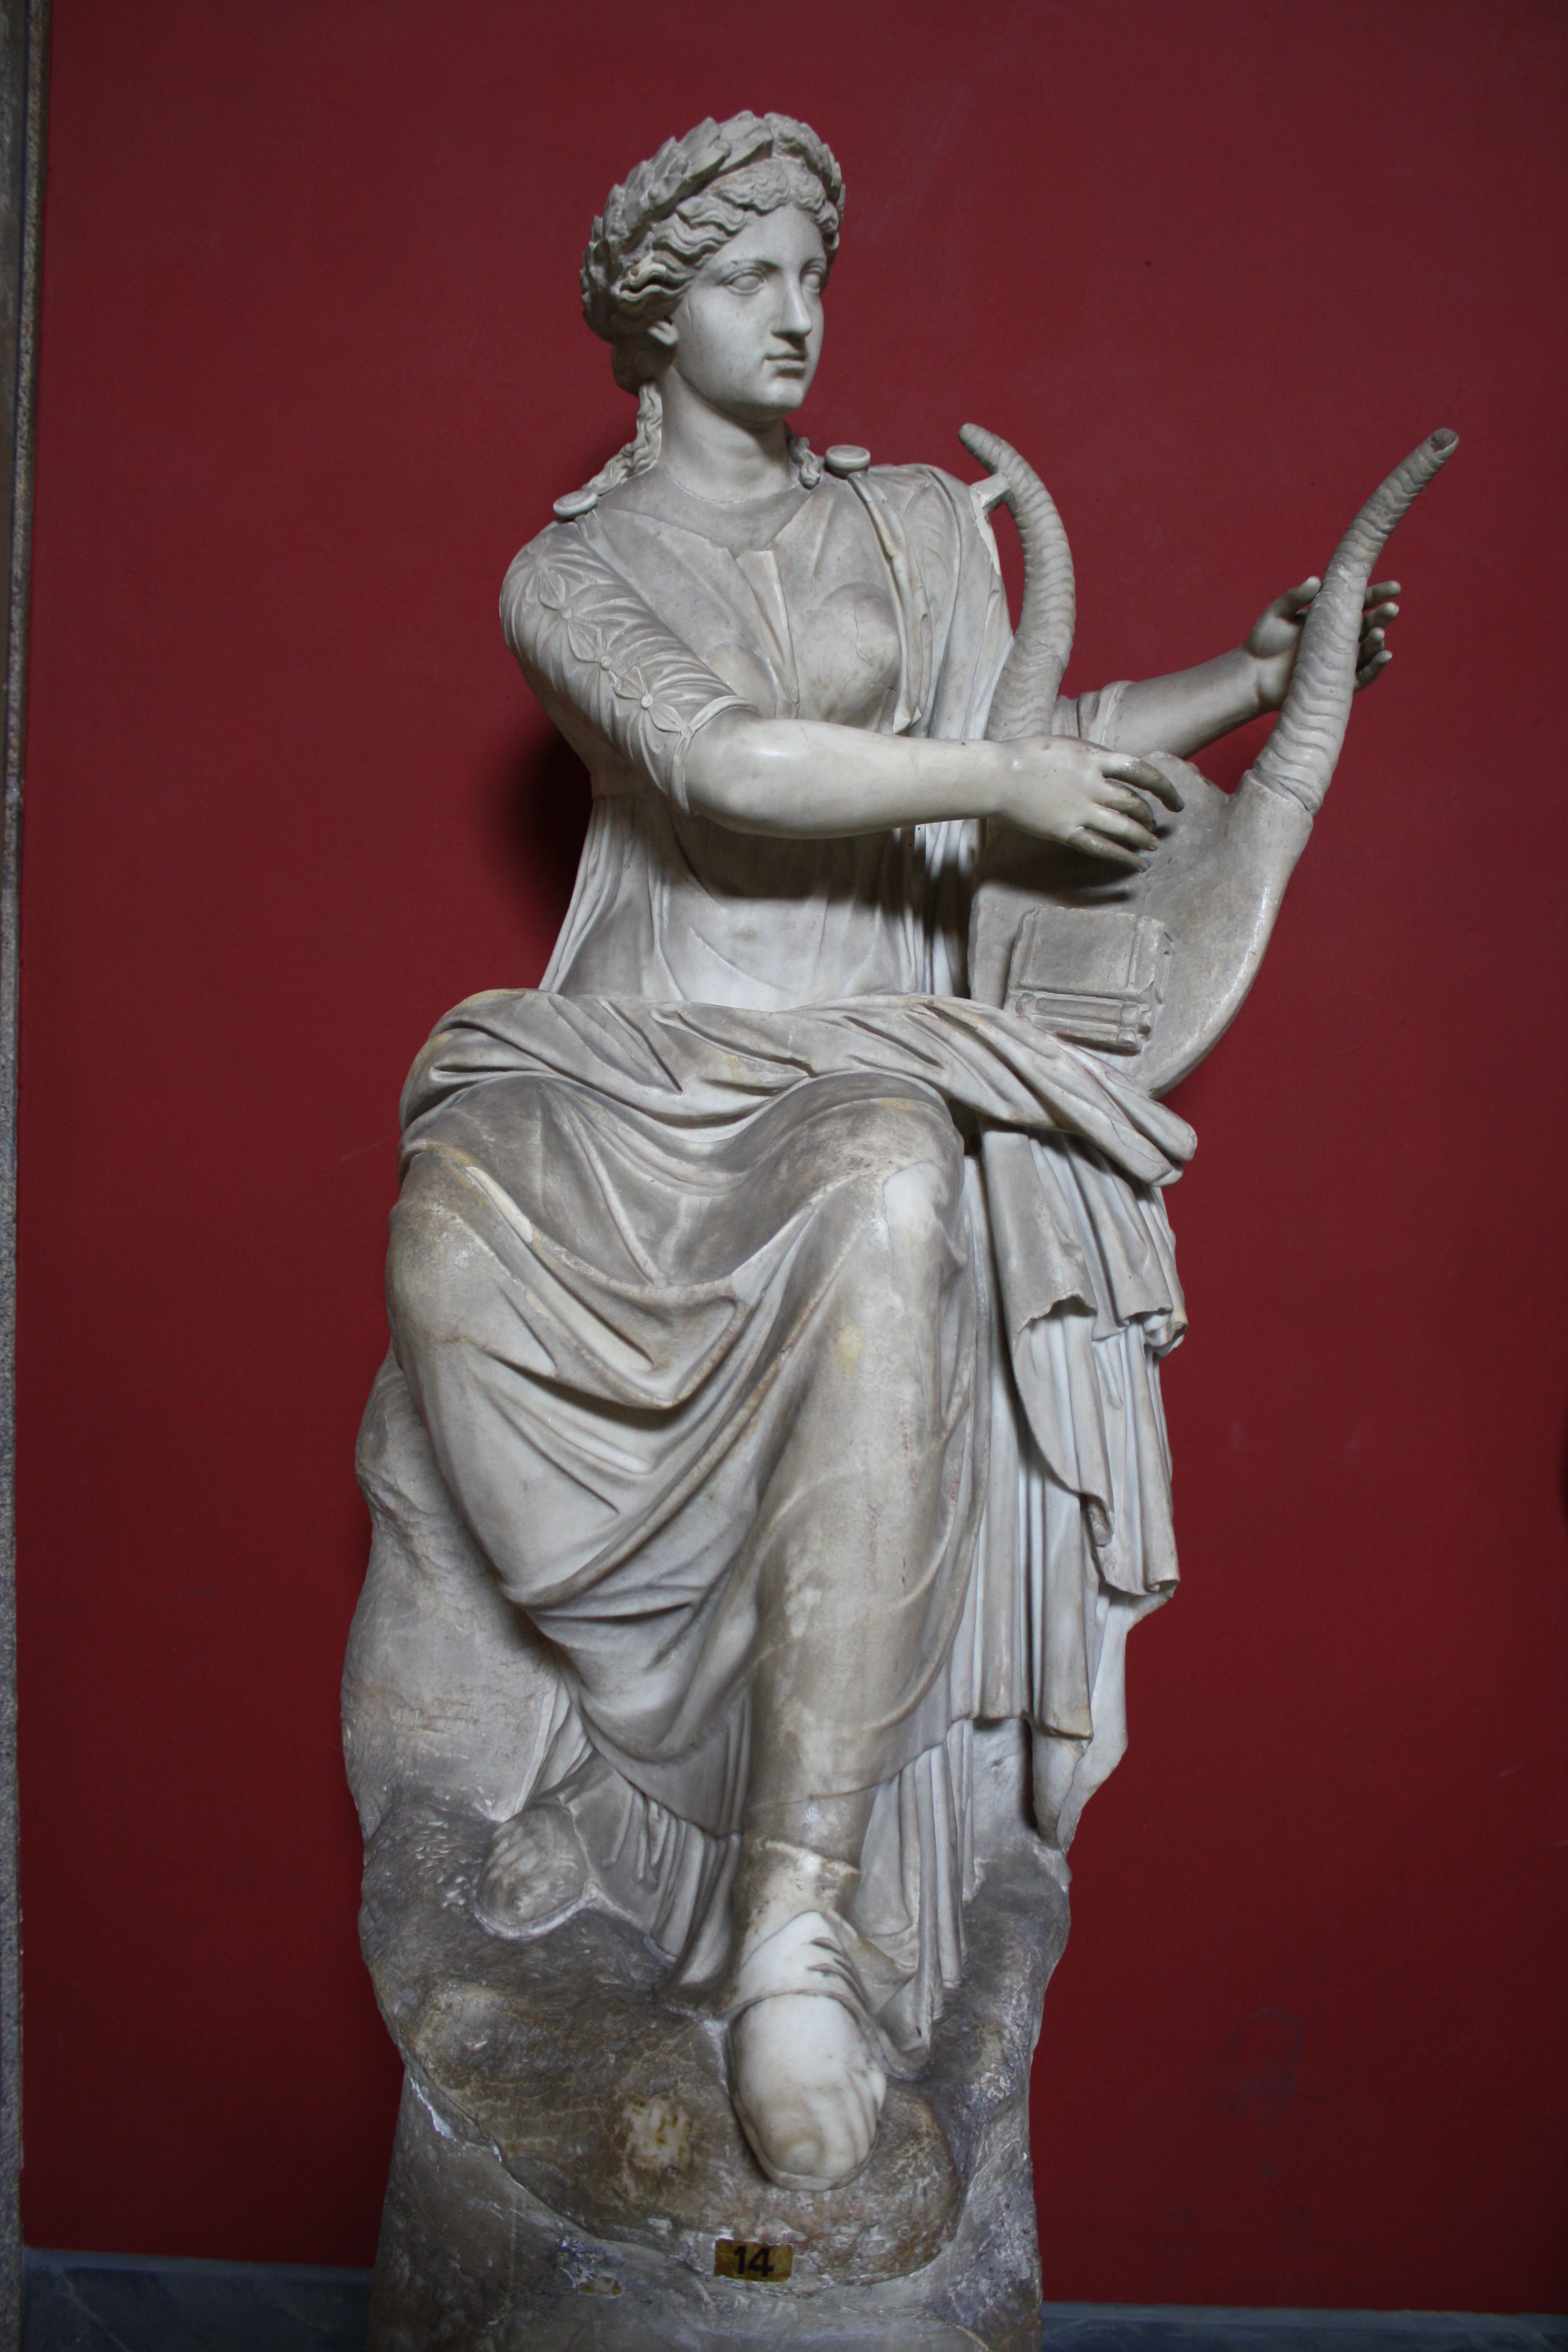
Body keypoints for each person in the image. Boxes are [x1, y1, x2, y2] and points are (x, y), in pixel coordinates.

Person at [383, 111, 1399, 2193]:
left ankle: (795, 1934)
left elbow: (1028, 761)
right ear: (653, 316)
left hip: (856, 1071)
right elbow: (730, 767)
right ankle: (611, 1743)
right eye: (745, 277)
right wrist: (1001, 776)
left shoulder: (917, 525)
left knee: (888, 1179)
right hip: (636, 1070)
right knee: (440, 1232)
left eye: (811, 275)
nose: (796, 314)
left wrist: (1250, 676)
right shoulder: (570, 574)